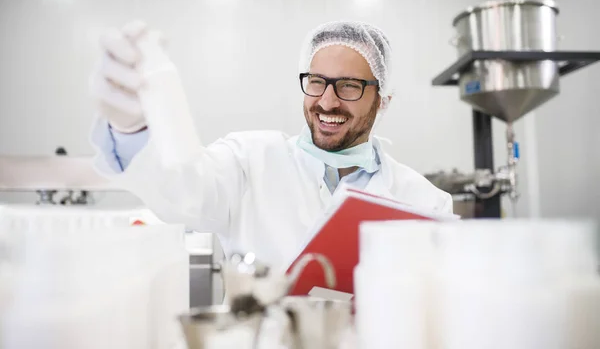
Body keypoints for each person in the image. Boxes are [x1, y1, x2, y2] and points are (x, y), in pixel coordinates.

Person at [89, 20, 452, 269]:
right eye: (316, 81)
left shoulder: (424, 202)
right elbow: (183, 188)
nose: (327, 101)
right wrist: (131, 128)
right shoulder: (248, 161)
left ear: (382, 101)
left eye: (349, 86)